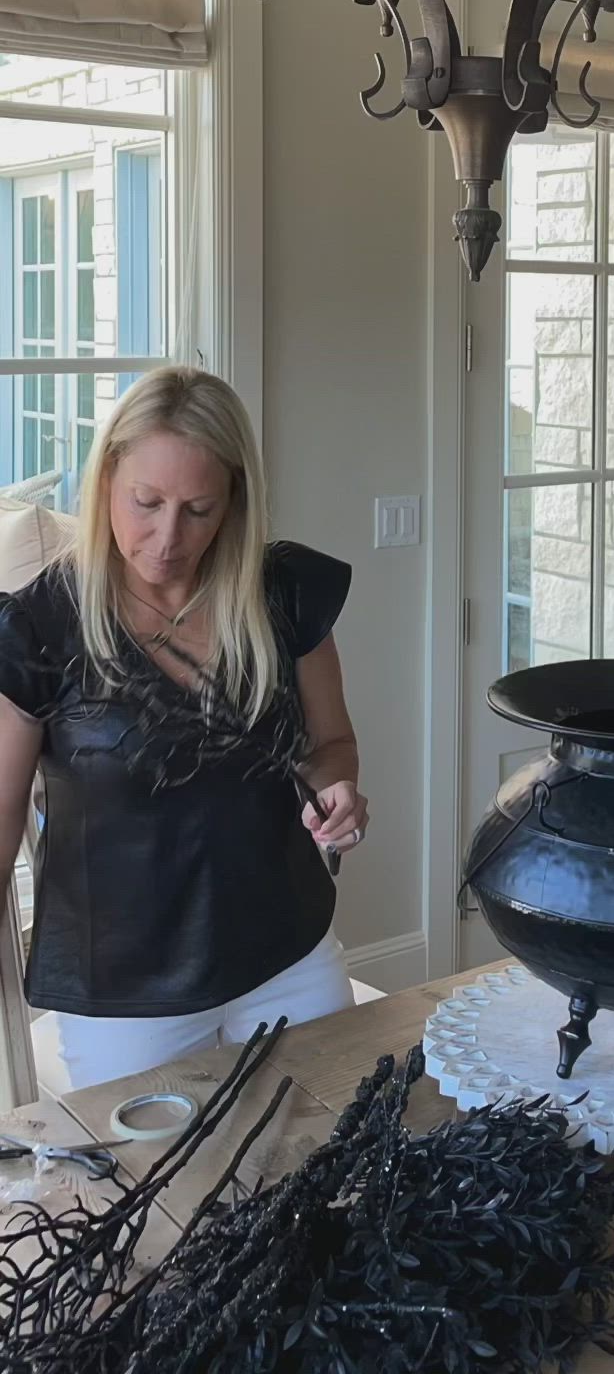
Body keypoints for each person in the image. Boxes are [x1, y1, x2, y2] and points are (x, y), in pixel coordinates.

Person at [0, 365, 369, 1089]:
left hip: (288, 952)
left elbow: (331, 746)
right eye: (146, 501)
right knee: (158, 1196)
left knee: (330, 1167)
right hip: (126, 989)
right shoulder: (39, 628)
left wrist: (339, 795)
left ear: (233, 501)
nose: (167, 537)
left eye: (198, 509)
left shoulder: (283, 595)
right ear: (106, 477)